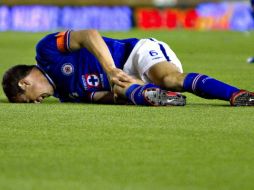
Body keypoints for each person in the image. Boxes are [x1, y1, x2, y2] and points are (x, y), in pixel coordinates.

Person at [2, 29, 254, 106]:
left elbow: (89, 35)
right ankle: (159, 97)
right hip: (129, 82)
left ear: (24, 83)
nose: (35, 103)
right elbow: (102, 97)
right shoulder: (66, 95)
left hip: (135, 53)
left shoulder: (45, 50)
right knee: (121, 91)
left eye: (27, 100)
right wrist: (129, 94)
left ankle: (237, 95)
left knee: (169, 79)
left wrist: (111, 69)